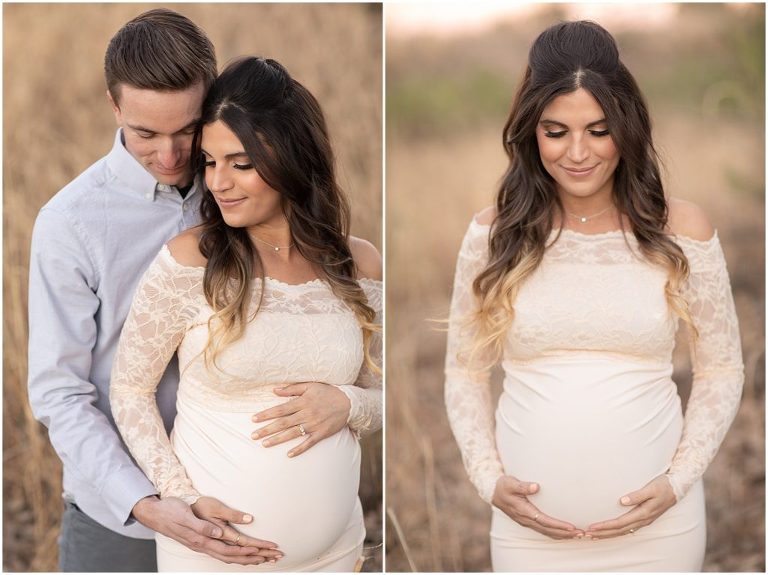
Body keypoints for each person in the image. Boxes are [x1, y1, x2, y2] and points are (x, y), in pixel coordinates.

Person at [444, 20, 743, 571]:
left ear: (626, 128)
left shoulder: (683, 230)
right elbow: (464, 373)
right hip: (528, 533)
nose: (577, 153)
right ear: (530, 132)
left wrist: (678, 480)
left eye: (598, 130)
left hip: (660, 532)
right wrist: (488, 479)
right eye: (556, 131)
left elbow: (722, 371)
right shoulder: (493, 236)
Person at [28, 9, 281, 570]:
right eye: (145, 133)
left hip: (246, 506)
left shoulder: (247, 189)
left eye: (187, 131)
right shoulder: (69, 222)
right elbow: (59, 392)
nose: (169, 156)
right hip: (121, 525)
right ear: (114, 105)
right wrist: (145, 502)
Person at [109, 56, 382, 572]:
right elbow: (130, 390)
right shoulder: (191, 260)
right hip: (216, 550)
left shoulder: (358, 262)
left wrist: (349, 404)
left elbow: (382, 393)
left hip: (337, 549)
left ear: (293, 159)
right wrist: (179, 495)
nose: (219, 183)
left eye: (241, 163)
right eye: (209, 162)